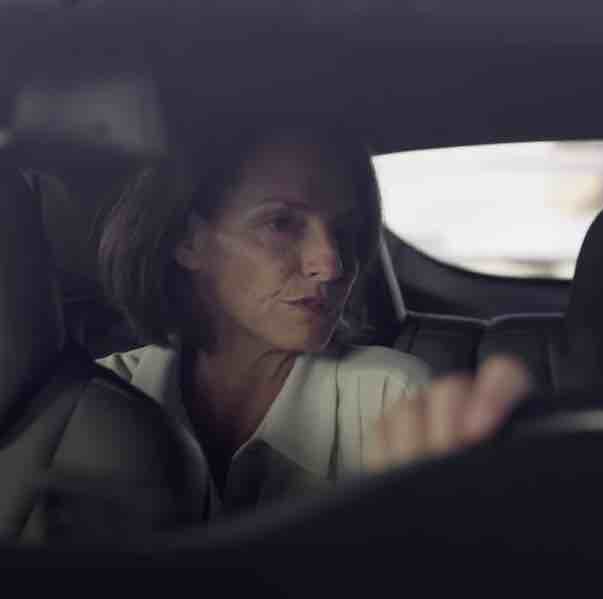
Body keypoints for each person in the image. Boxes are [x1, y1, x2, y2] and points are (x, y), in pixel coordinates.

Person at [98, 124, 529, 519]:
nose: (332, 263)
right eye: (281, 223)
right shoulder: (96, 399)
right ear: (187, 241)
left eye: (345, 231)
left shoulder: (391, 398)